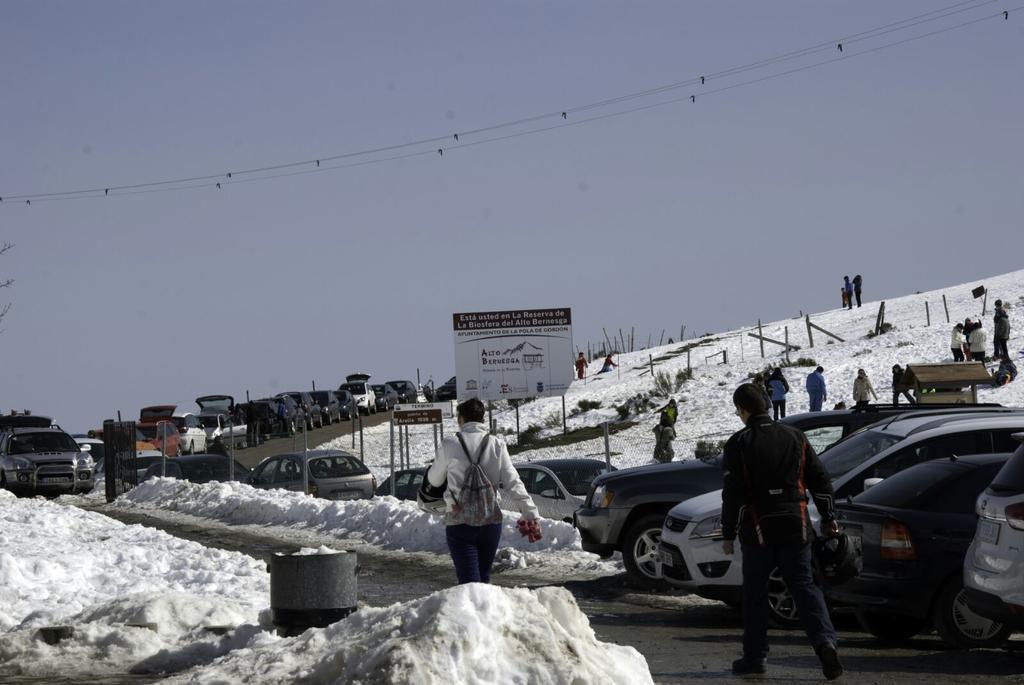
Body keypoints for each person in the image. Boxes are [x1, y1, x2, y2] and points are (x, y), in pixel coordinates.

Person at [721, 384, 843, 680]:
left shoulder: (739, 443)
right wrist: (829, 517)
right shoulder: (795, 436)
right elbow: (820, 481)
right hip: (795, 525)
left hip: (758, 528)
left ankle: (755, 656)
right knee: (803, 587)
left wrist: (728, 532)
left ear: (743, 410)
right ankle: (825, 642)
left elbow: (734, 494)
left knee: (755, 594)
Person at [425, 398, 539, 584]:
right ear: (482, 419)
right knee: (483, 580)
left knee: (469, 584)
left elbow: (434, 480)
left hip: (459, 520)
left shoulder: (450, 444)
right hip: (489, 521)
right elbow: (513, 482)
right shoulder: (496, 444)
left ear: (461, 419)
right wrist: (530, 512)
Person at [653, 399, 678, 463]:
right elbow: (662, 409)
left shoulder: (675, 409)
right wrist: (657, 411)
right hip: (665, 420)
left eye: (672, 404)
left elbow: (675, 416)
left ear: (674, 404)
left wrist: (673, 421)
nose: (670, 405)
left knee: (671, 428)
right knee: (664, 414)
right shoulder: (667, 407)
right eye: (670, 403)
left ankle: (674, 434)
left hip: (671, 420)